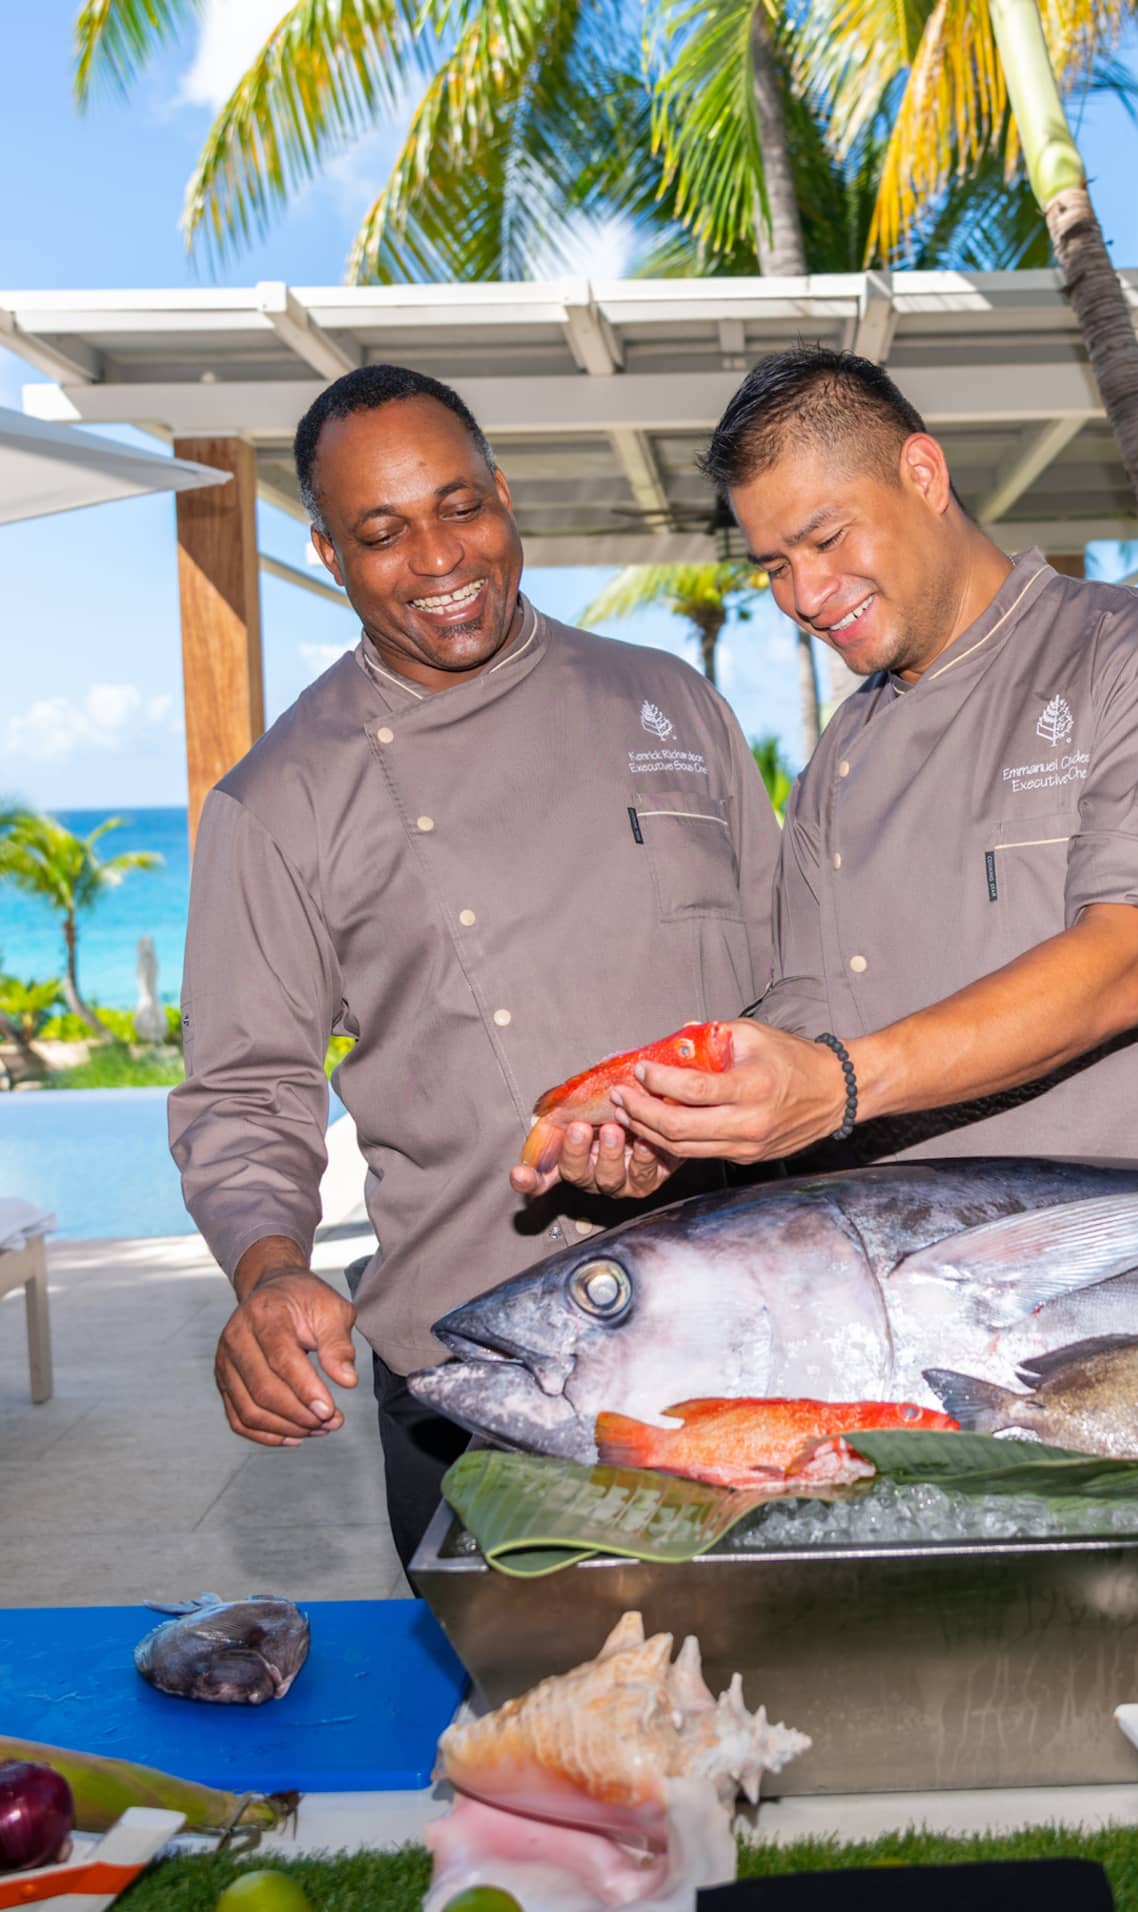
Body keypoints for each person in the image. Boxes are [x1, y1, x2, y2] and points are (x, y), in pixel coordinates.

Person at [168, 364, 779, 1572]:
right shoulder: (279, 798)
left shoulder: (669, 701)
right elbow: (244, 1093)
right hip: (480, 1377)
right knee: (544, 1741)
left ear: (505, 495)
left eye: (460, 506)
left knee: (767, 1720)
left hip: (743, 1336)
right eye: (382, 532)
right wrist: (272, 1266)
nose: (439, 557)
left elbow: (794, 991)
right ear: (329, 553)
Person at [561, 345, 1138, 1178]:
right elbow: (809, 1013)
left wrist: (840, 1085)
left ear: (924, 473)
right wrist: (683, 1130)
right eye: (776, 567)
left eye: (827, 538)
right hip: (935, 1292)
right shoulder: (837, 764)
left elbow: (1129, 961)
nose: (804, 595)